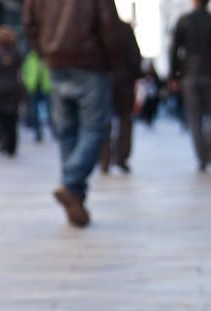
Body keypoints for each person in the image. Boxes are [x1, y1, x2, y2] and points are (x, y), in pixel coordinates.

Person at [24, 0, 126, 227]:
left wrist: (44, 51)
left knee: (67, 130)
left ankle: (75, 198)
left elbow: (29, 22)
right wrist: (114, 62)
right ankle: (71, 184)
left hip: (55, 60)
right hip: (90, 62)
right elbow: (109, 24)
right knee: (94, 127)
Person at [169, 0, 211, 172]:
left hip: (190, 74)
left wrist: (174, 75)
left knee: (194, 118)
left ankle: (202, 155)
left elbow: (174, 50)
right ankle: (208, 148)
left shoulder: (184, 20)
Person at [99, 19, 141, 174]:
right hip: (124, 80)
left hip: (103, 79)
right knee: (125, 119)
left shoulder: (97, 28)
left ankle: (105, 157)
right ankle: (122, 157)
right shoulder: (124, 29)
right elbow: (135, 56)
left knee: (104, 120)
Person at [0, 26, 25, 157]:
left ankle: (2, 142)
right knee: (12, 119)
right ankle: (11, 146)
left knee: (0, 118)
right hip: (12, 88)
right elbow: (20, 73)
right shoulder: (16, 52)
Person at [22, 48, 51, 142]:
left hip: (46, 86)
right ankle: (38, 133)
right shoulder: (30, 57)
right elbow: (25, 71)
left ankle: (55, 130)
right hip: (33, 87)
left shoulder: (47, 55)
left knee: (51, 110)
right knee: (34, 111)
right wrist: (27, 83)